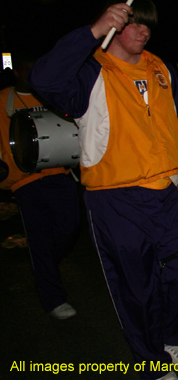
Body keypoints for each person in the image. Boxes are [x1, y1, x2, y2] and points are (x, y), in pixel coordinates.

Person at [28, 0, 178, 380]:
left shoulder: (162, 70)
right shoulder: (88, 72)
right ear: (114, 25)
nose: (143, 31)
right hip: (115, 199)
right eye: (133, 23)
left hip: (170, 194)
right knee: (136, 287)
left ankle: (175, 339)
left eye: (148, 25)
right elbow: (42, 79)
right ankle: (152, 362)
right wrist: (91, 32)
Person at [0, 55, 81, 320]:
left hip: (59, 173)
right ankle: (53, 298)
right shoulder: (2, 100)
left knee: (69, 226)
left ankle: (45, 265)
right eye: (27, 70)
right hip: (24, 181)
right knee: (39, 237)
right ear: (16, 72)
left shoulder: (51, 98)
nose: (32, 75)